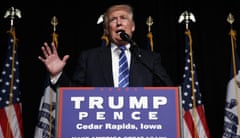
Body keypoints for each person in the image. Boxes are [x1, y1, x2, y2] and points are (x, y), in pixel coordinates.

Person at [38, 4, 173, 87]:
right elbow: (74, 96)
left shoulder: (149, 59)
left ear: (132, 27)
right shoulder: (89, 58)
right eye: (113, 20)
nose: (119, 23)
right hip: (101, 129)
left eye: (123, 18)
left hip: (141, 127)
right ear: (107, 29)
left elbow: (168, 91)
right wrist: (58, 75)